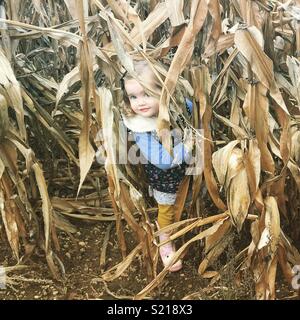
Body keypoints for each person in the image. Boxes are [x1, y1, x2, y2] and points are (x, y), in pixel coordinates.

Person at [120, 60, 193, 272]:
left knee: (187, 199)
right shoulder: (142, 128)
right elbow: (162, 161)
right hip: (165, 180)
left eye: (146, 94)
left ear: (164, 89)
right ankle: (165, 243)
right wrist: (188, 146)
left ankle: (185, 225)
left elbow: (191, 107)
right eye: (133, 97)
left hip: (187, 171)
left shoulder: (175, 107)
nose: (140, 102)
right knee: (167, 211)